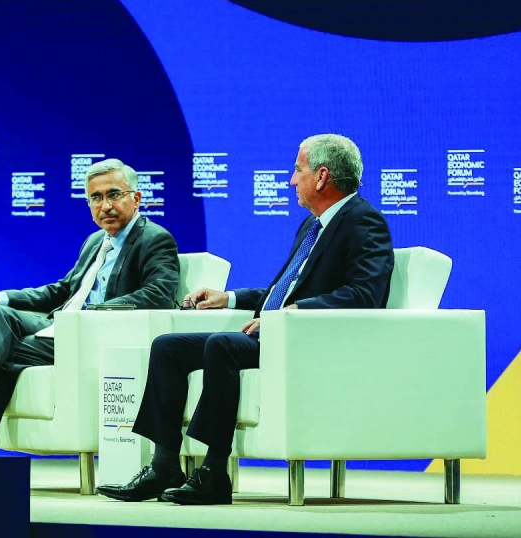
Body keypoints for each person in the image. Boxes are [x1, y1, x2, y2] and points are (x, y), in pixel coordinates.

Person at [97, 134, 394, 505]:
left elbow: (365, 295)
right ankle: (164, 466)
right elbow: (282, 291)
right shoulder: (312, 226)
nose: (291, 180)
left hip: (310, 341)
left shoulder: (364, 222)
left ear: (321, 177)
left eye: (297, 170)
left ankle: (214, 473)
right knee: (168, 347)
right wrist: (230, 297)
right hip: (276, 332)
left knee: (223, 345)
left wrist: (293, 314)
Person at [0, 158, 180, 454]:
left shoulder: (155, 238)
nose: (105, 205)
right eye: (96, 198)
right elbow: (63, 290)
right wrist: (1, 297)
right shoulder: (94, 242)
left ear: (136, 198)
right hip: (61, 327)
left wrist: (92, 315)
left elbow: (159, 294)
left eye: (114, 194)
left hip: (93, 335)